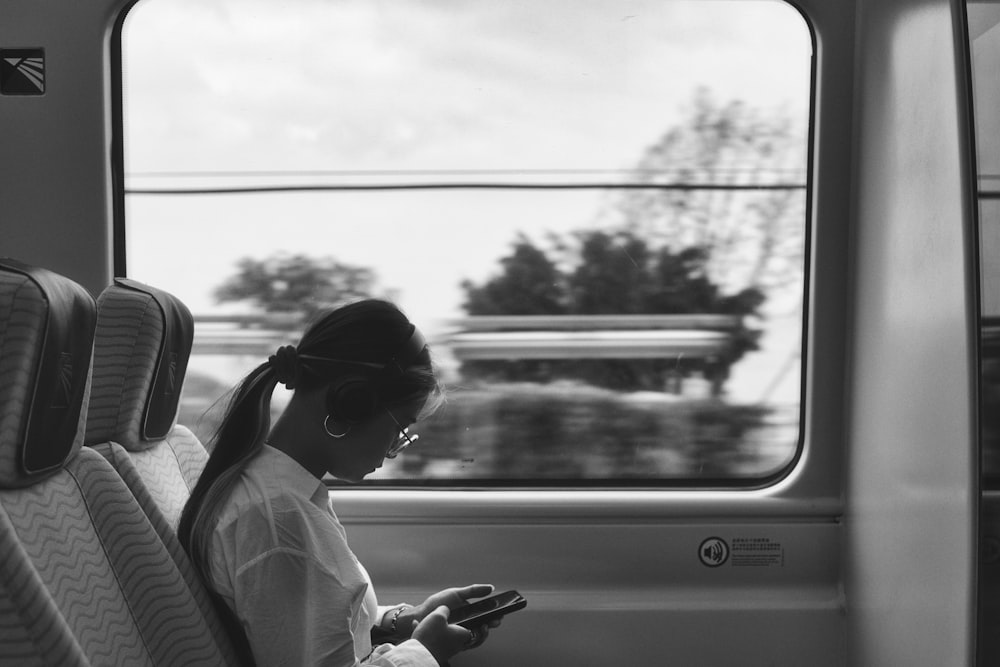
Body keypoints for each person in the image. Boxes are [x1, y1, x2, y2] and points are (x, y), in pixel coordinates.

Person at [178, 299, 497, 667]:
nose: (395, 449)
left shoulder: (287, 493)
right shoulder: (277, 523)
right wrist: (424, 653)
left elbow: (308, 627)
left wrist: (401, 621)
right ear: (351, 402)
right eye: (399, 427)